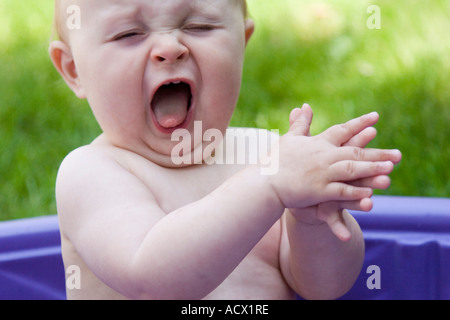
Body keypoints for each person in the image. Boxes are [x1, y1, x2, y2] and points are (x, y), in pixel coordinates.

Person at [49, 0, 402, 300]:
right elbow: (152, 278)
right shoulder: (91, 173)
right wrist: (267, 186)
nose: (170, 48)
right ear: (74, 69)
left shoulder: (268, 155)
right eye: (128, 34)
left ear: (242, 43)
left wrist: (311, 222)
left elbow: (325, 287)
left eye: (200, 25)